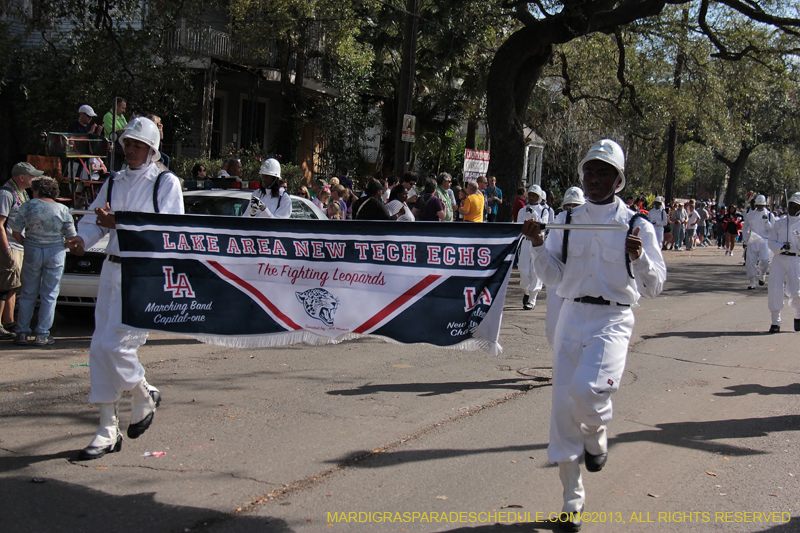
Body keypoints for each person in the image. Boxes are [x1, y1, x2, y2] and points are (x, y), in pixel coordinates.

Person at [522, 139, 665, 531]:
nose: (596, 179)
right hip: (572, 313)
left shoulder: (637, 225)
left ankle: (597, 432)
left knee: (590, 392)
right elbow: (553, 277)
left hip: (613, 319)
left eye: (605, 172)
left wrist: (639, 259)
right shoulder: (565, 222)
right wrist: (537, 244)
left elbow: (655, 286)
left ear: (618, 180)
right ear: (581, 175)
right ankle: (572, 501)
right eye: (590, 171)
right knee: (562, 412)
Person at [66, 117, 184, 460]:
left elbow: (169, 231)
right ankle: (106, 427)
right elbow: (93, 219)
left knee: (115, 345)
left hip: (142, 274)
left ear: (152, 149)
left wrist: (118, 223)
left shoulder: (165, 181)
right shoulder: (114, 180)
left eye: (138, 145)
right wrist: (82, 239)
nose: (130, 150)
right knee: (99, 347)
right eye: (127, 145)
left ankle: (143, 391)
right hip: (111, 271)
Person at [8, 177, 76, 346]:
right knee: (50, 294)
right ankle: (42, 334)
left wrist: (28, 242)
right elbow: (71, 236)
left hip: (32, 249)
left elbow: (16, 231)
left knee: (28, 293)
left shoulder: (28, 206)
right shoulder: (62, 209)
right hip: (55, 251)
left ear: (37, 190)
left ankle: (22, 332)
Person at [1, 163, 42, 339]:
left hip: (18, 245)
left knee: (14, 285)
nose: (34, 179)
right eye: (31, 175)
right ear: (21, 177)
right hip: (9, 246)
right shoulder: (6, 193)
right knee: (4, 286)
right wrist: (6, 249)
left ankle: (9, 322)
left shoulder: (22, 193)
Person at [543, 187, 585, 347]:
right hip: (559, 279)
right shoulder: (559, 222)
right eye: (569, 206)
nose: (572, 210)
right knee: (554, 324)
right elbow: (551, 254)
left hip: (581, 284)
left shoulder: (591, 225)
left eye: (576, 206)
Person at [766, 193, 800, 333]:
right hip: (779, 259)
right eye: (790, 204)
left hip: (796, 260)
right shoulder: (780, 223)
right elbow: (771, 241)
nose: (791, 207)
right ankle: (775, 321)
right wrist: (780, 247)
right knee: (774, 288)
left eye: (795, 205)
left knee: (796, 291)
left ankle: (798, 316)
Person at [516, 184, 549, 310]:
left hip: (537, 242)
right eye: (530, 195)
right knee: (523, 268)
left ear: (539, 197)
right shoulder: (522, 210)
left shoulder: (544, 210)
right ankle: (526, 290)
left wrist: (534, 213)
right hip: (525, 242)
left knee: (536, 270)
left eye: (534, 195)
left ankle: (532, 297)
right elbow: (518, 226)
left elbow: (543, 225)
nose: (532, 197)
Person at [742, 195, 774, 289]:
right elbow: (745, 228)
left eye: (762, 205)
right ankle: (752, 281)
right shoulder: (750, 215)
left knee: (765, 259)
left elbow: (772, 229)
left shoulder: (769, 215)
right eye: (758, 205)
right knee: (750, 262)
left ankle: (762, 274)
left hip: (764, 240)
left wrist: (766, 222)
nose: (760, 206)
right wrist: (745, 240)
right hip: (752, 240)